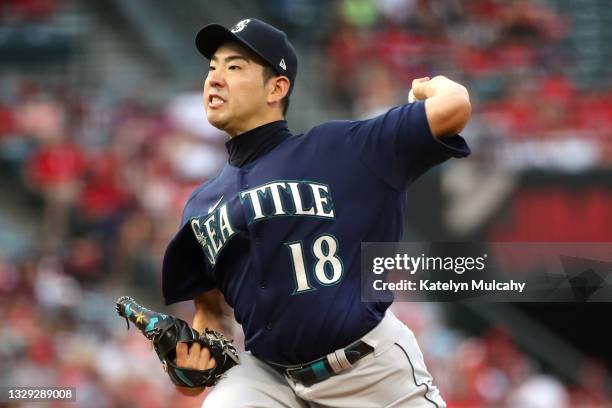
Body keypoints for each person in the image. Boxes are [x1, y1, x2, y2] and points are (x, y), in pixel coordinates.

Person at [162, 18, 471, 407]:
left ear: (277, 87)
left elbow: (455, 105)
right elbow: (210, 312)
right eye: (212, 68)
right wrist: (193, 365)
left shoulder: (342, 148)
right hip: (271, 378)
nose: (215, 78)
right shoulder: (201, 204)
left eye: (234, 67)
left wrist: (429, 86)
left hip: (368, 373)